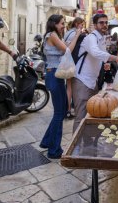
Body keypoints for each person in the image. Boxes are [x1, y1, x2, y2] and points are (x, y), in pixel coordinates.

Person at [71, 13, 118, 132]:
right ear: (95, 25)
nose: (104, 25)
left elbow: (100, 57)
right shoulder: (91, 37)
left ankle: (87, 143)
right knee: (81, 116)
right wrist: (116, 58)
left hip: (93, 81)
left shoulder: (101, 39)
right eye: (101, 23)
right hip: (82, 80)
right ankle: (75, 149)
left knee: (92, 113)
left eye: (106, 23)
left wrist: (104, 64)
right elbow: (95, 53)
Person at [40, 14, 81, 159]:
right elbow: (67, 50)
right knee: (59, 113)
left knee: (62, 110)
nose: (64, 26)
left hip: (55, 76)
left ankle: (46, 141)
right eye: (62, 23)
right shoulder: (52, 35)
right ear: (54, 24)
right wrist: (76, 35)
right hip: (54, 76)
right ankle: (54, 150)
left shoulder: (54, 35)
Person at [64, 17, 85, 119]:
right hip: (71, 62)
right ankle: (68, 110)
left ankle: (67, 109)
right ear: (77, 24)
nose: (82, 26)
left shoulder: (68, 32)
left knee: (68, 86)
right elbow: (70, 48)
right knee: (71, 88)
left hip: (67, 62)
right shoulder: (74, 34)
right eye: (81, 24)